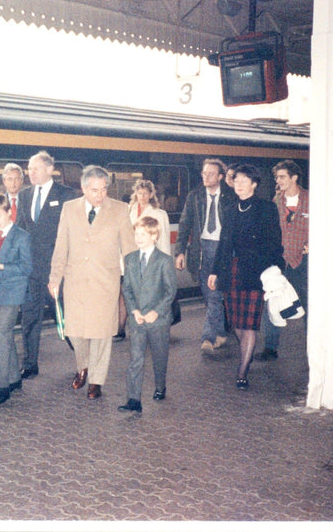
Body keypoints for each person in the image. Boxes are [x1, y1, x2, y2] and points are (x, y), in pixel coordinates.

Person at [48, 165, 137, 400]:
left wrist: (135, 281)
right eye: (95, 190)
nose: (100, 195)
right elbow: (61, 246)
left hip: (105, 282)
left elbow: (129, 249)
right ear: (83, 188)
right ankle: (83, 367)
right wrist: (55, 278)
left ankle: (96, 380)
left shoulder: (119, 210)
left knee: (101, 334)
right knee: (75, 332)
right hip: (75, 280)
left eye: (104, 189)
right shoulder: (69, 209)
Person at [207, 164, 284, 390]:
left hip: (254, 272)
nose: (239, 185)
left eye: (243, 181)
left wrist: (274, 270)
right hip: (231, 271)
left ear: (254, 184)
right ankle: (246, 354)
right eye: (236, 181)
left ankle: (242, 370)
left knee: (249, 324)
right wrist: (214, 270)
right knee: (236, 324)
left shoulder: (266, 208)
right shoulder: (230, 209)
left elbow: (274, 242)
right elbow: (223, 244)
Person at [15, 151, 77, 379]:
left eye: (36, 168)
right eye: (29, 169)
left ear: (50, 170)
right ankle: (30, 363)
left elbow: (75, 232)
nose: (31, 173)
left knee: (65, 316)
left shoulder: (67, 195)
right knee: (30, 317)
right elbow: (21, 229)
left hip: (56, 270)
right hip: (31, 270)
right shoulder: (24, 196)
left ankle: (83, 360)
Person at [175, 158, 236, 353]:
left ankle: (208, 337)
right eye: (204, 173)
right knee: (209, 295)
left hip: (222, 248)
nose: (206, 177)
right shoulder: (195, 196)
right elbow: (184, 225)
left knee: (215, 294)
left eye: (211, 174)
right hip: (200, 250)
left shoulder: (230, 196)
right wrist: (180, 252)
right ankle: (222, 334)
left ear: (220, 177)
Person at [118, 216, 177, 413]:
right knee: (136, 359)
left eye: (142, 234)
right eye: (136, 233)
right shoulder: (130, 259)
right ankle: (134, 399)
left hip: (157, 320)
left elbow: (170, 292)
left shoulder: (164, 261)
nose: (138, 237)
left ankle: (160, 386)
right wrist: (134, 310)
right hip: (137, 320)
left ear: (154, 236)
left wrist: (156, 312)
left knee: (159, 356)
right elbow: (126, 289)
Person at [0, 194, 32, 405]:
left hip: (13, 293)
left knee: (0, 337)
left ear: (9, 212)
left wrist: (1, 266)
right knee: (6, 335)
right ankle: (14, 378)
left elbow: (27, 268)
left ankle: (2, 387)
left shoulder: (22, 236)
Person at [257, 160, 309, 361]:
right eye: (277, 177)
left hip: (303, 262)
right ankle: (270, 348)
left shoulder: (311, 199)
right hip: (279, 260)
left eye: (282, 177)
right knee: (273, 300)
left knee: (307, 303)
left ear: (294, 177)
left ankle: (313, 347)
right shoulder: (277, 200)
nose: (278, 181)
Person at [116, 179, 171, 339]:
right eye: (139, 193)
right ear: (136, 194)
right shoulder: (127, 210)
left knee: (147, 295)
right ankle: (120, 328)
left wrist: (164, 265)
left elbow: (164, 241)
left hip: (150, 260)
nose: (142, 196)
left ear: (151, 194)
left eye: (146, 193)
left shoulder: (159, 214)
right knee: (125, 294)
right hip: (129, 260)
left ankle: (147, 327)